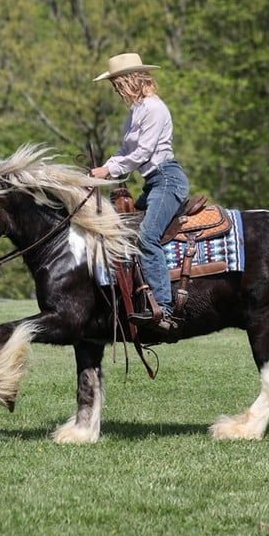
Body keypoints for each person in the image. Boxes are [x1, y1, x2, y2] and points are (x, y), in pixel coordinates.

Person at [90, 52, 190, 331]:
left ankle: (164, 310)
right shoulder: (135, 112)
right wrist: (103, 171)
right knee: (127, 231)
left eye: (116, 83)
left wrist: (107, 171)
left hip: (167, 180)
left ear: (130, 80)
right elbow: (126, 151)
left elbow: (143, 152)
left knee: (147, 236)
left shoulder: (155, 109)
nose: (115, 89)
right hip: (152, 182)